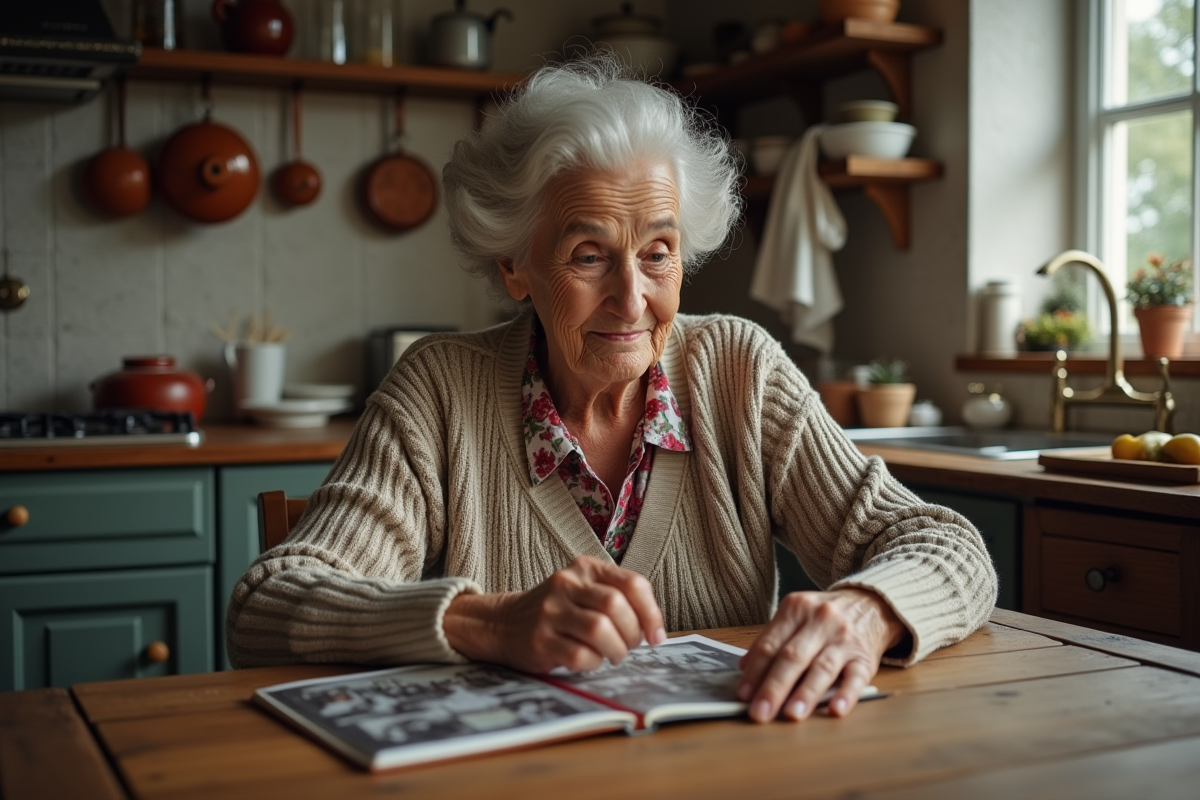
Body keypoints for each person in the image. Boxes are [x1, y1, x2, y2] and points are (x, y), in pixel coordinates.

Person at [227, 59, 997, 724]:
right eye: (589, 255)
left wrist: (865, 613)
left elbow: (950, 548)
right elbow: (267, 605)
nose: (633, 299)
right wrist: (487, 622)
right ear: (514, 266)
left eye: (658, 253)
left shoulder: (739, 370)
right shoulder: (440, 390)